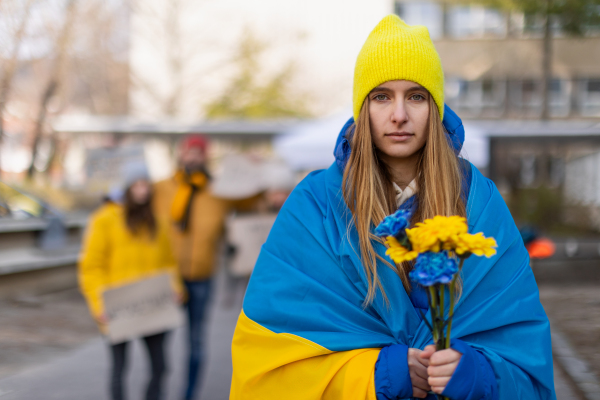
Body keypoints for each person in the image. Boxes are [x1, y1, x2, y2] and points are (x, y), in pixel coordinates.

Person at [230, 15, 556, 400]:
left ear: (434, 107)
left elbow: (522, 355)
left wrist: (476, 374)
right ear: (362, 108)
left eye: (416, 96)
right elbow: (269, 366)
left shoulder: (480, 201)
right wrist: (377, 376)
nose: (399, 114)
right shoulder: (314, 205)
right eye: (382, 96)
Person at [153, 136, 257, 400]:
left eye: (199, 154)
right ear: (181, 154)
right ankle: (157, 391)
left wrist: (252, 168)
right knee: (158, 343)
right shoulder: (162, 188)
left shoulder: (219, 190)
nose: (193, 158)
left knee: (196, 343)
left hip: (202, 277)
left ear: (206, 157)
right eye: (190, 152)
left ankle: (189, 394)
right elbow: (134, 206)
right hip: (165, 278)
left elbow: (252, 200)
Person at [78, 161, 184, 400]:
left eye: (145, 184)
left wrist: (176, 288)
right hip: (118, 307)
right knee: (119, 370)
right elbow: (91, 267)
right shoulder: (104, 219)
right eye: (136, 185)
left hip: (153, 306)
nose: (142, 190)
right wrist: (99, 304)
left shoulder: (158, 221)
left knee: (160, 368)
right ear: (127, 188)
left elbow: (169, 262)